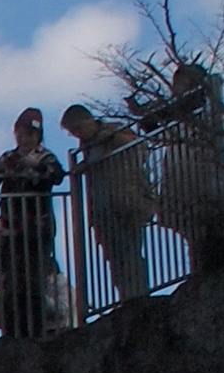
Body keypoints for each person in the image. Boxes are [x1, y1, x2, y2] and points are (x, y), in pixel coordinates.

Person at [64, 102, 156, 313]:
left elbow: (140, 150)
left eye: (77, 128)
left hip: (128, 201)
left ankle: (139, 301)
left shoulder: (115, 129)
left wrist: (110, 138)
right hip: (103, 209)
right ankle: (128, 300)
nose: (77, 134)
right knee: (115, 258)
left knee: (130, 253)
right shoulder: (85, 147)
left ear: (87, 120)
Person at [0, 109, 64, 338]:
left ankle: (35, 331)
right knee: (9, 280)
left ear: (38, 135)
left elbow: (56, 175)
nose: (24, 138)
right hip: (10, 229)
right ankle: (12, 332)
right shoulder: (8, 157)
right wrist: (7, 171)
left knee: (34, 281)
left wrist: (28, 169)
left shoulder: (45, 157)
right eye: (20, 133)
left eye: (29, 134)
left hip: (38, 228)